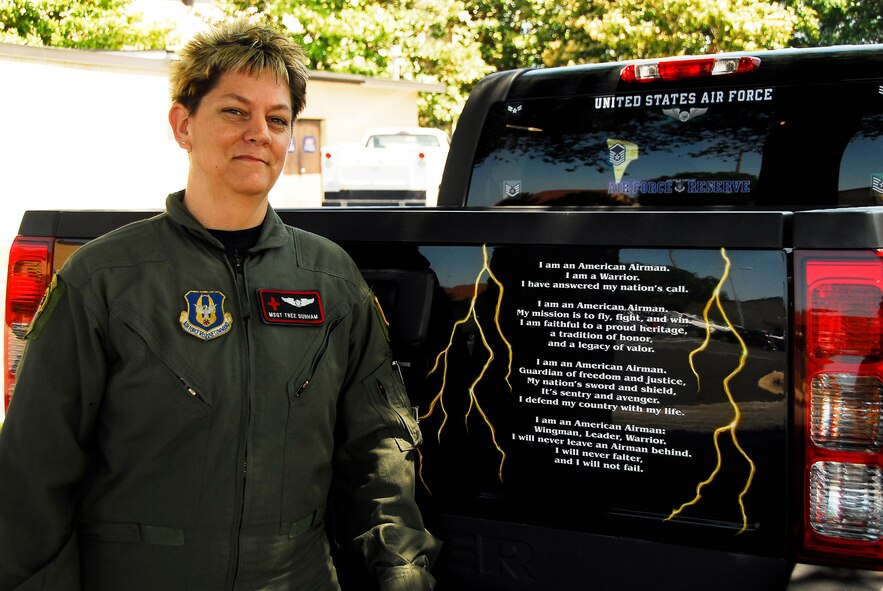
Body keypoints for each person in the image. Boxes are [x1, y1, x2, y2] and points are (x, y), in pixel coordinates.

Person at [0, 19, 440, 591]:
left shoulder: (331, 280)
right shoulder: (105, 281)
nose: (260, 132)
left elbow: (379, 448)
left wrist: (402, 573)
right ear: (184, 124)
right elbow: (34, 473)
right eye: (235, 111)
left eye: (277, 119)